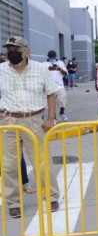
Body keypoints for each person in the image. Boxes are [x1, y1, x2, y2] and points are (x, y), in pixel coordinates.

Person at [0, 36, 60, 218]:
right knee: (9, 165)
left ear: (27, 52)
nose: (12, 53)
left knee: (42, 163)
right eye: (9, 50)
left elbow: (51, 93)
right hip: (9, 121)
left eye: (16, 50)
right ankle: (13, 203)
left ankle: (51, 197)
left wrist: (50, 118)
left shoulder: (40, 69)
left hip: (34, 120)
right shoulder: (1, 70)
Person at [0, 54, 36, 194]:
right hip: (6, 119)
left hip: (9, 119)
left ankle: (24, 183)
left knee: (16, 156)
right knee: (7, 159)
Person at [42, 50, 69, 121]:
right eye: (51, 57)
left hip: (60, 86)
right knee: (50, 104)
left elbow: (66, 73)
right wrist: (48, 69)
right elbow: (41, 74)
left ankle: (62, 112)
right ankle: (54, 118)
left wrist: (60, 69)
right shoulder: (44, 64)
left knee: (63, 100)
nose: (52, 59)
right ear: (48, 57)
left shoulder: (60, 63)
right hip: (49, 87)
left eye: (53, 57)